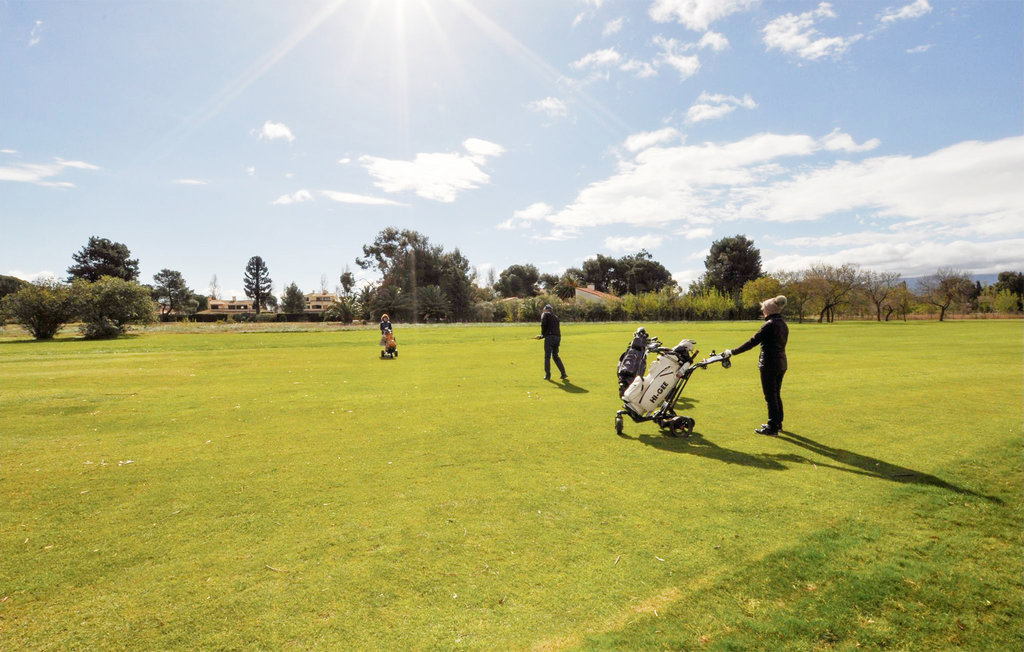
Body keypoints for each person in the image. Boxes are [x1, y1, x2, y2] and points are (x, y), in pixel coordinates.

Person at [722, 295, 789, 436]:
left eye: (764, 309)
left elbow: (752, 342)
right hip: (781, 362)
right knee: (776, 394)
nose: (762, 311)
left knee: (770, 396)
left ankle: (772, 427)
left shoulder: (769, 325)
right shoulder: (782, 323)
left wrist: (732, 352)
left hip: (769, 364)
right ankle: (777, 423)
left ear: (769, 310)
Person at [535, 304, 568, 381]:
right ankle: (563, 373)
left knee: (547, 357)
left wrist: (542, 335)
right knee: (555, 356)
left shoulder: (545, 315)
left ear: (546, 310)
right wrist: (542, 336)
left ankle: (547, 375)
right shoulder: (556, 317)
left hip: (550, 338)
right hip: (557, 337)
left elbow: (543, 324)